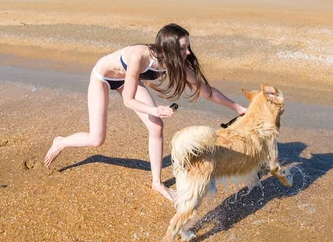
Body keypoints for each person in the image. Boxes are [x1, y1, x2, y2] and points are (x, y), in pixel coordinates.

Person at [44, 23, 247, 201]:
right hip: (102, 78)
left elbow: (208, 92)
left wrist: (238, 108)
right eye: (183, 48)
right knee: (97, 139)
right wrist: (154, 109)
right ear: (168, 48)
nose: (188, 53)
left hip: (125, 79)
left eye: (188, 47)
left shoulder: (178, 64)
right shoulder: (139, 57)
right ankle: (60, 141)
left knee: (156, 126)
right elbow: (128, 100)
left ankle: (157, 183)